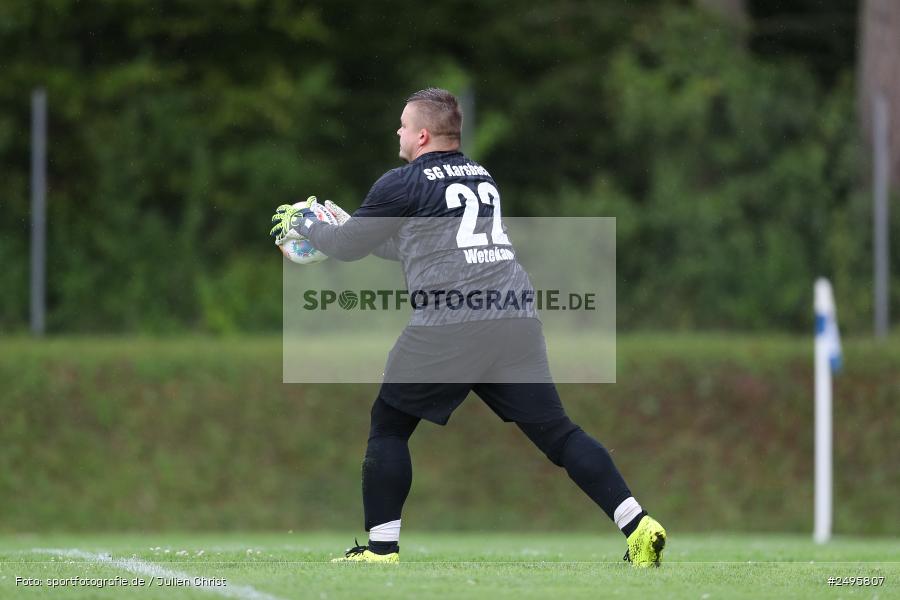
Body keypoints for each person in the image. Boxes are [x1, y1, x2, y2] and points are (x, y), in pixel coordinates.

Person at [269, 88, 666, 567]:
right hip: (514, 317)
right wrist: (349, 229)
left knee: (389, 427)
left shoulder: (401, 181)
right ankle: (639, 526)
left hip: (452, 322)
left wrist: (308, 224)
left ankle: (381, 550)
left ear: (421, 135)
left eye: (403, 125)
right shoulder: (481, 175)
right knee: (559, 434)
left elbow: (349, 247)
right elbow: (414, 246)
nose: (398, 132)